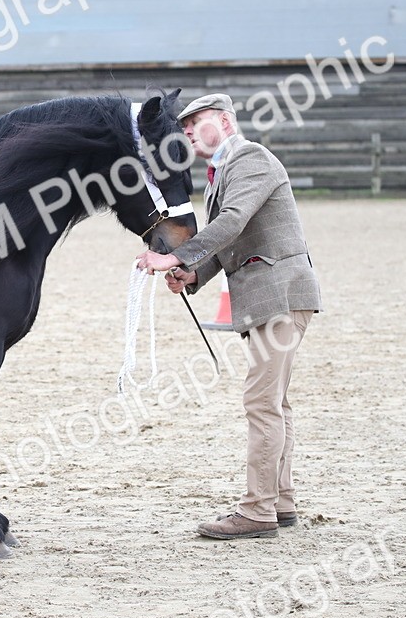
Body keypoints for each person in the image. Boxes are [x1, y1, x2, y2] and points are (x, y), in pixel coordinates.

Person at [136, 92, 322, 540]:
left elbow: (233, 221)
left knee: (261, 403)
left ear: (224, 120)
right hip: (271, 297)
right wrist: (191, 274)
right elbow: (227, 243)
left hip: (280, 294)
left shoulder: (250, 159)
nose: (187, 133)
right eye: (183, 128)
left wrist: (173, 256)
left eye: (195, 122)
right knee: (275, 403)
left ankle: (257, 512)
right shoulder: (221, 174)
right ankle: (280, 500)